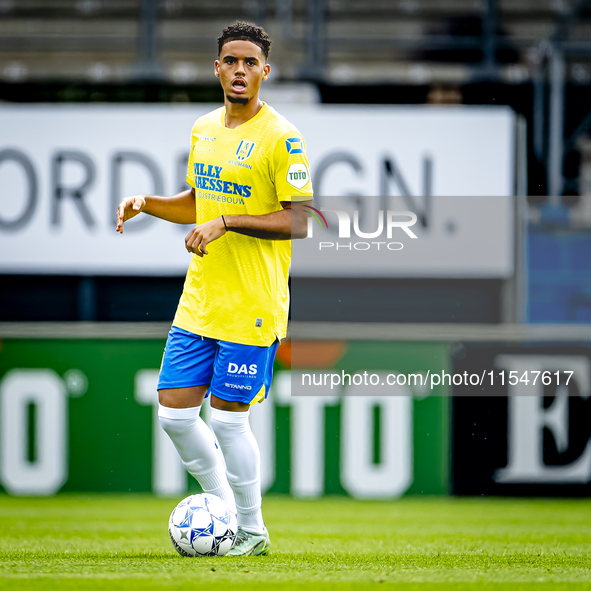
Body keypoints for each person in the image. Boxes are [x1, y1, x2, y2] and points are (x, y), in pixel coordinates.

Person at [115, 22, 313, 556]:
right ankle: (221, 509)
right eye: (231, 61)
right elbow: (198, 202)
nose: (241, 70)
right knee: (174, 413)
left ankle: (251, 528)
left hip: (253, 303)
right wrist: (148, 203)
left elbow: (299, 222)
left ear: (265, 72)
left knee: (228, 420)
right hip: (201, 299)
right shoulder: (203, 128)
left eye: (251, 62)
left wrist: (225, 222)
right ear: (217, 68)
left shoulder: (282, 138)